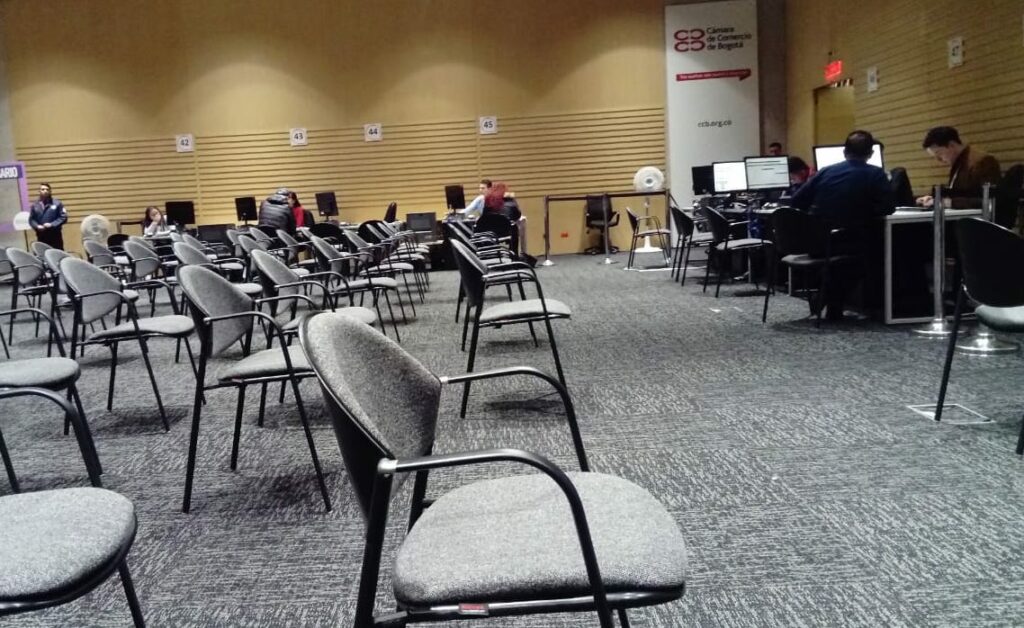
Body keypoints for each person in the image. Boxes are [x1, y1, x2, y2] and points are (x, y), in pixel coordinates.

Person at [790, 130, 894, 319]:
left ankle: (829, 302)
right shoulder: (876, 174)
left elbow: (796, 202)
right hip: (849, 242)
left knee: (845, 257)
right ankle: (871, 307)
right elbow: (888, 207)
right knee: (876, 251)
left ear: (844, 152)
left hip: (817, 244)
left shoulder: (825, 172)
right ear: (871, 154)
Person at [916, 126, 1001, 209]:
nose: (938, 160)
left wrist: (949, 202)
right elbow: (961, 193)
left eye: (939, 153)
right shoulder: (959, 162)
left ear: (951, 145)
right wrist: (935, 199)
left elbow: (988, 200)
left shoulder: (982, 161)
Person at [29, 182, 68, 250]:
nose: (45, 191)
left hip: (55, 236)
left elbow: (63, 217)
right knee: (43, 255)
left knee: (57, 255)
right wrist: (37, 226)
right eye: (43, 189)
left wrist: (52, 224)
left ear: (50, 191)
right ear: (39, 191)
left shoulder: (57, 203)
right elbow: (31, 219)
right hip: (41, 236)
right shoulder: (35, 205)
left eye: (47, 189)